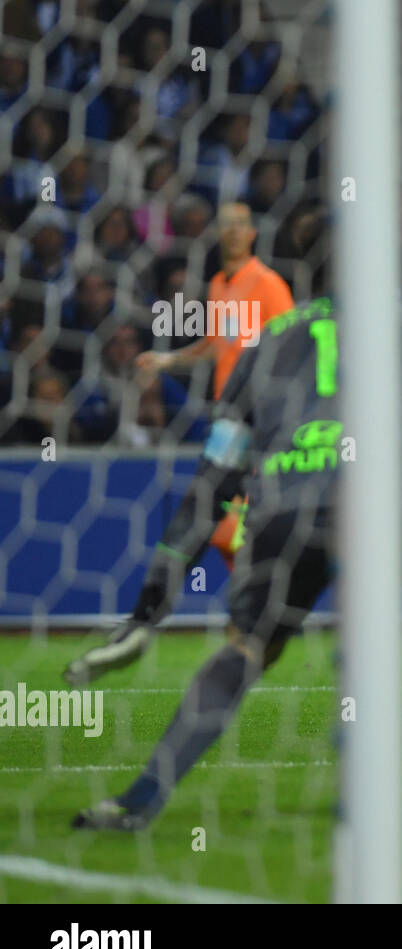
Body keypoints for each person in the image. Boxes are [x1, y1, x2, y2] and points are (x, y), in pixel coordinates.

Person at [72, 300, 402, 831]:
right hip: (384, 508)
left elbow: (214, 479)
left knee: (248, 647)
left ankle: (139, 800)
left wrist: (150, 605)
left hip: (283, 514)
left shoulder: (266, 341)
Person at [63, 200, 293, 684]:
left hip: (261, 422)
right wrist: (168, 362)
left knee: (202, 516)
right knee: (222, 526)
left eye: (240, 225)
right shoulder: (218, 285)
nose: (232, 232)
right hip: (229, 419)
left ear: (252, 234)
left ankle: (146, 621)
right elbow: (216, 344)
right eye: (224, 224)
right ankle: (258, 620)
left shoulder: (268, 284)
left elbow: (293, 346)